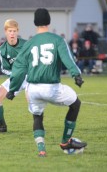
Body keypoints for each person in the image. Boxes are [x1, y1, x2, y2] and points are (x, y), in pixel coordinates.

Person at [6, 8, 87, 157]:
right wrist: (76, 75)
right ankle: (65, 141)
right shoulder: (57, 40)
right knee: (75, 104)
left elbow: (18, 69)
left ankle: (41, 150)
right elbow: (67, 58)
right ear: (49, 21)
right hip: (52, 88)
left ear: (35, 23)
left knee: (37, 116)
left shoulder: (29, 43)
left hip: (33, 89)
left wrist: (12, 90)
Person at [0, 19, 27, 133]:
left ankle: (38, 126)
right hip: (15, 77)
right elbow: (4, 68)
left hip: (29, 77)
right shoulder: (2, 49)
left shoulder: (26, 45)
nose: (12, 33)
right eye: (10, 31)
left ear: (17, 31)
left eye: (14, 31)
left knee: (32, 100)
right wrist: (15, 75)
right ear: (5, 32)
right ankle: (2, 125)